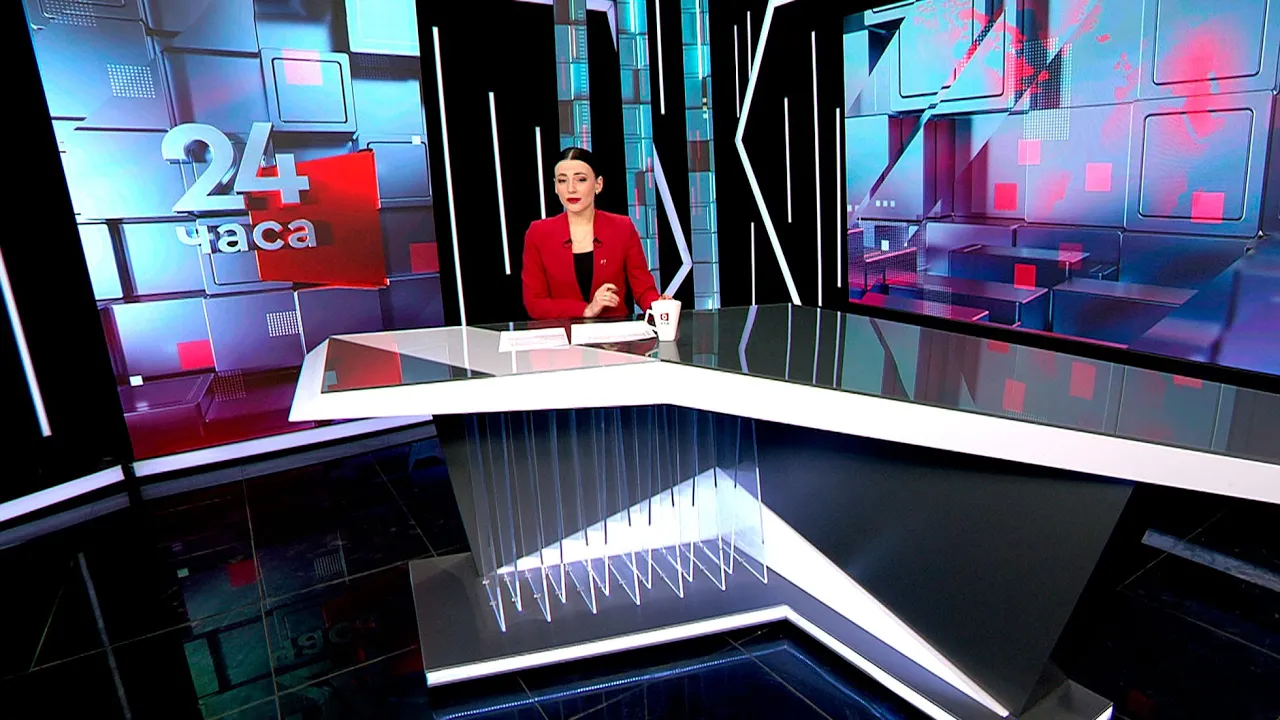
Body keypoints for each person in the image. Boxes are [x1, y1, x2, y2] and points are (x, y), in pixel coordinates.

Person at [522, 147, 662, 320]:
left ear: (598, 184)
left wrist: (660, 306)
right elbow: (535, 303)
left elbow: (644, 289)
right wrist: (587, 310)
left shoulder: (622, 227)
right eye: (562, 181)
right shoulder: (538, 233)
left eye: (581, 179)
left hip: (614, 334)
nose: (571, 189)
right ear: (556, 187)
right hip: (562, 334)